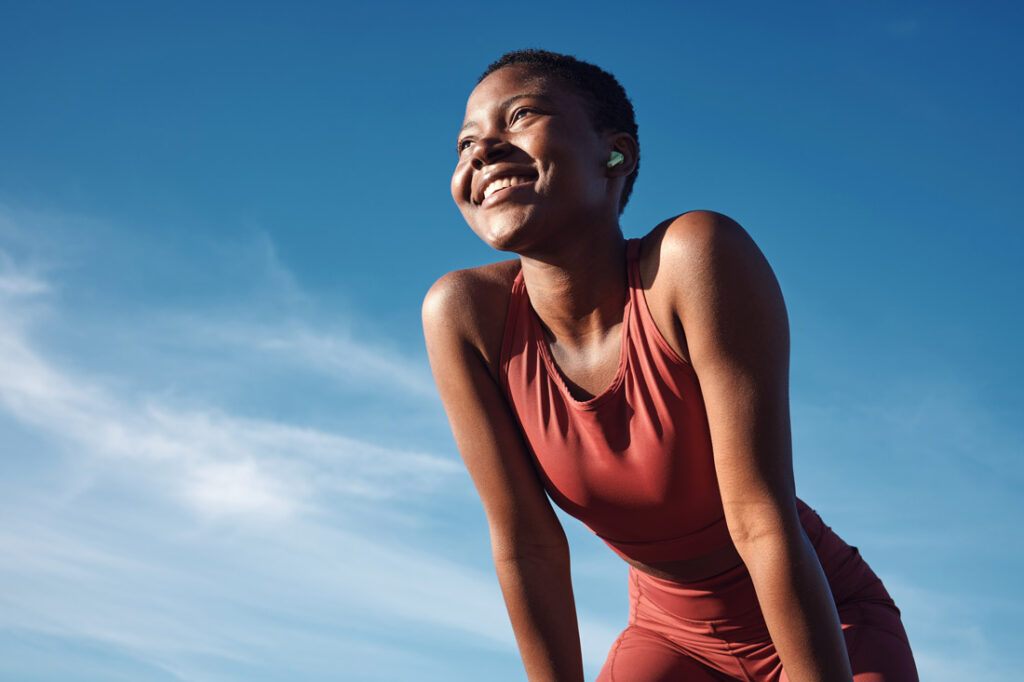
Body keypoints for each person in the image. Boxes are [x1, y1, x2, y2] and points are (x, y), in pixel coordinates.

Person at [422, 49, 918, 682]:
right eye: (465, 143)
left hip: (825, 623)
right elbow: (527, 545)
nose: (482, 151)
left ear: (616, 155)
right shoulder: (463, 315)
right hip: (670, 638)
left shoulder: (693, 260)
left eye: (520, 116)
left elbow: (759, 519)